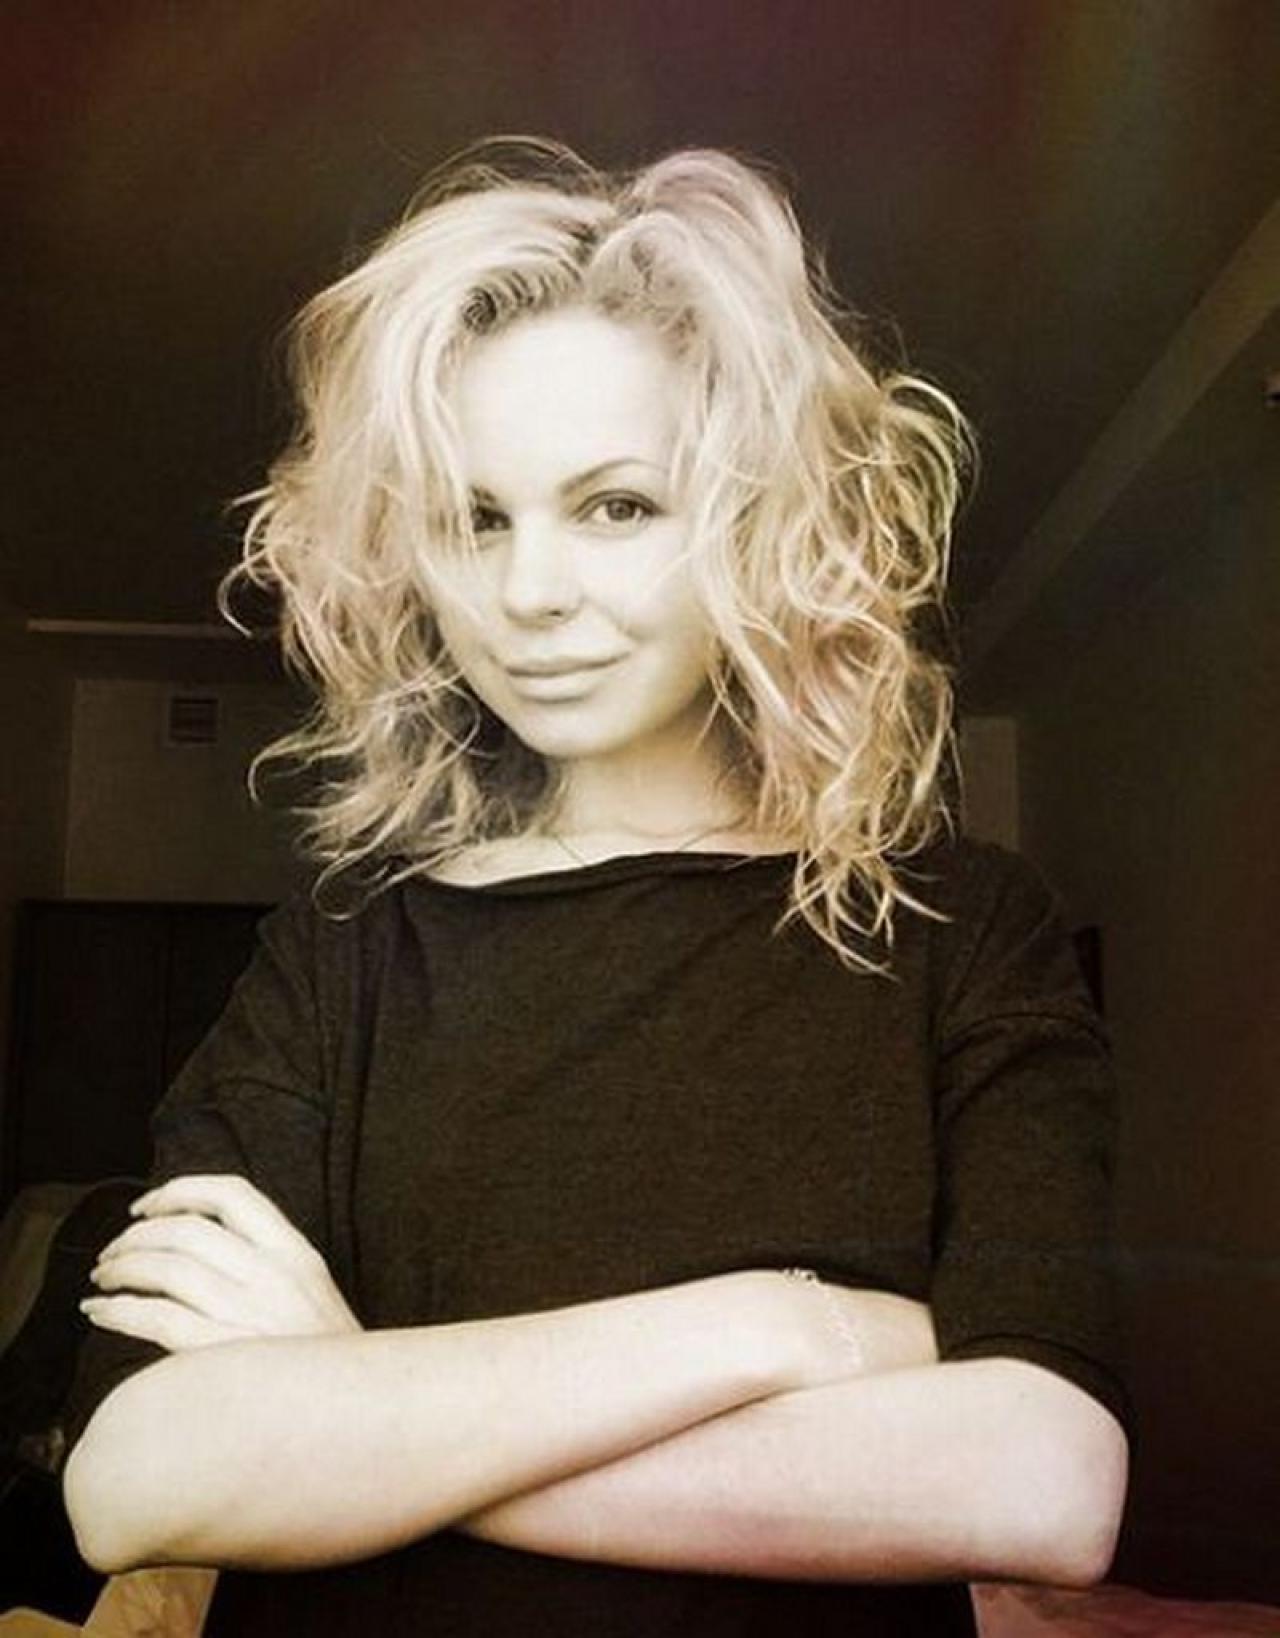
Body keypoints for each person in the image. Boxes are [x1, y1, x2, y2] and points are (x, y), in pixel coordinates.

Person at [61, 140, 1130, 1636]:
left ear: (756, 515)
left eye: (617, 506)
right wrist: (777, 1325)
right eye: (476, 518)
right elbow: (134, 1479)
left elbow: (1041, 1486)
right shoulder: (345, 950)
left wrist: (354, 1399)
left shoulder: (960, 928)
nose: (530, 594)